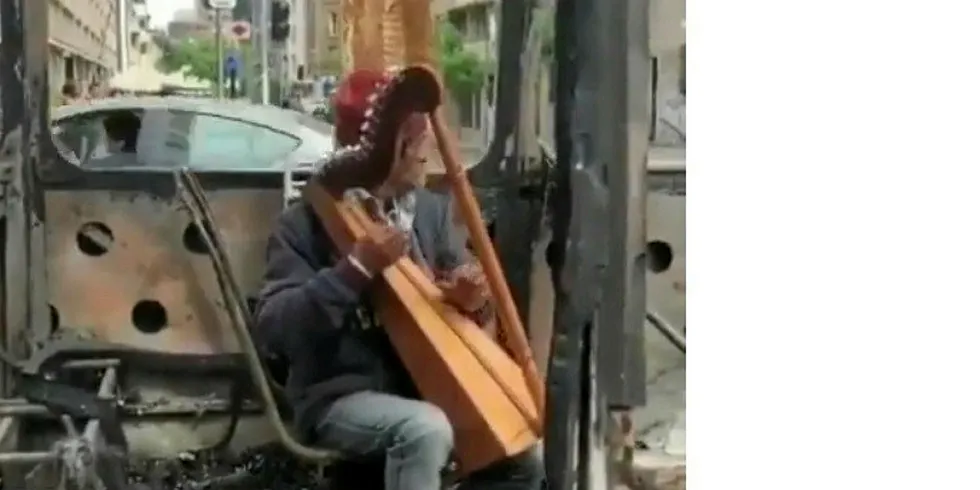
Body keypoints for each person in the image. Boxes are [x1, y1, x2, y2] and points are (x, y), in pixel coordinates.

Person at [253, 66, 544, 490]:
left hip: (430, 394)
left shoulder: (428, 213)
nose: (427, 152)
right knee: (424, 430)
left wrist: (472, 300)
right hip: (340, 397)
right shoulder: (305, 224)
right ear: (391, 149)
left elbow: (473, 322)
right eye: (416, 141)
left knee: (524, 454)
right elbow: (275, 331)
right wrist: (355, 270)